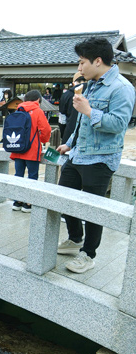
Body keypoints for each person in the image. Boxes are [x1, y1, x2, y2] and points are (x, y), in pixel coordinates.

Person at [56, 37, 136, 274]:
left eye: (82, 63)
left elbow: (120, 124)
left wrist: (90, 110)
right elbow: (80, 121)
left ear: (98, 61)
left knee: (93, 209)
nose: (79, 68)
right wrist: (69, 143)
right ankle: (75, 239)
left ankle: (88, 254)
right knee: (62, 198)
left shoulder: (122, 88)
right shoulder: (91, 83)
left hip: (101, 158)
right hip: (78, 154)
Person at [10, 90, 52, 212]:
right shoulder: (38, 111)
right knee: (32, 176)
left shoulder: (18, 110)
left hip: (17, 148)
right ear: (38, 100)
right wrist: (43, 140)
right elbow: (46, 130)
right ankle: (28, 203)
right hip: (32, 149)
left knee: (18, 175)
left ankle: (17, 202)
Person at [59, 72, 87, 144]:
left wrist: (63, 134)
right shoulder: (94, 93)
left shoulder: (66, 95)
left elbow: (62, 120)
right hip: (88, 138)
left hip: (69, 135)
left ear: (74, 83)